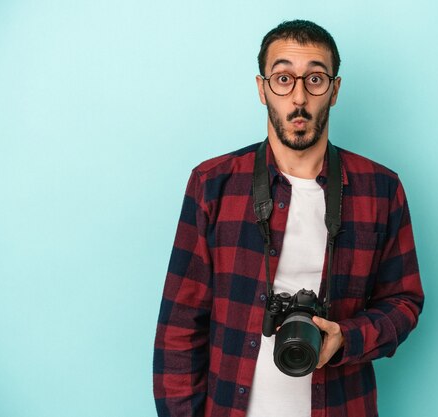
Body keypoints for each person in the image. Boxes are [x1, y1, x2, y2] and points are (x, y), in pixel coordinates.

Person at [153, 19, 424, 417]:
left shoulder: (380, 189)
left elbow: (404, 301)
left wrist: (345, 339)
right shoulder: (213, 184)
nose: (299, 97)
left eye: (315, 79)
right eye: (283, 78)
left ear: (334, 91)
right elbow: (179, 327)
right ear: (262, 89)